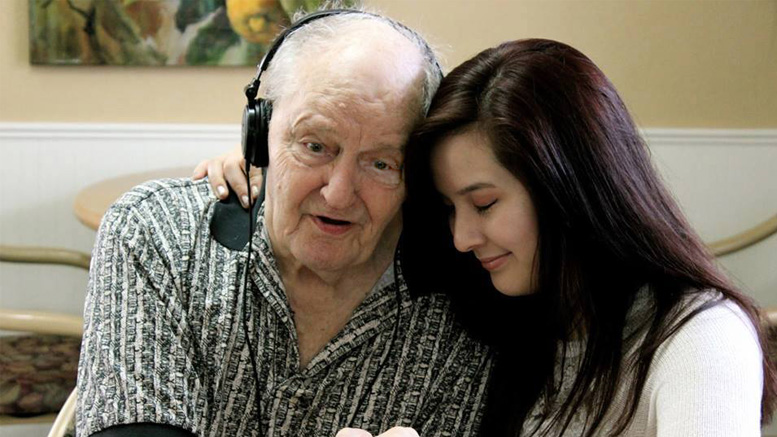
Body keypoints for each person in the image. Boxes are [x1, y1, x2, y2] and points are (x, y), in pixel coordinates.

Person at [201, 39, 776, 436]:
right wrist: (271, 166)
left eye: (484, 203)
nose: (461, 238)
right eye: (450, 208)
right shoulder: (512, 313)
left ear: (569, 188)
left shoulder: (701, 339)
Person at [77, 8, 492, 437]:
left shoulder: (464, 296)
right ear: (259, 135)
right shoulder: (158, 234)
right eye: (315, 146)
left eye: (382, 163)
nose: (339, 192)